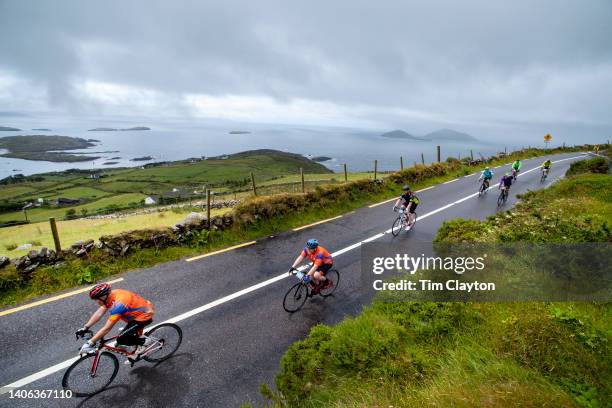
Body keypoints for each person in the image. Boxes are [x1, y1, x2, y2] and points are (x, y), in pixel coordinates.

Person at [76, 283, 155, 359]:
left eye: (96, 299)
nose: (96, 302)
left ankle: (145, 341)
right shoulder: (111, 295)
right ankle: (135, 344)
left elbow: (107, 328)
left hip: (143, 316)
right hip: (135, 314)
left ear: (103, 297)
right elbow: (100, 312)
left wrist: (90, 342)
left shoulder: (119, 305)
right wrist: (86, 327)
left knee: (121, 339)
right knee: (123, 340)